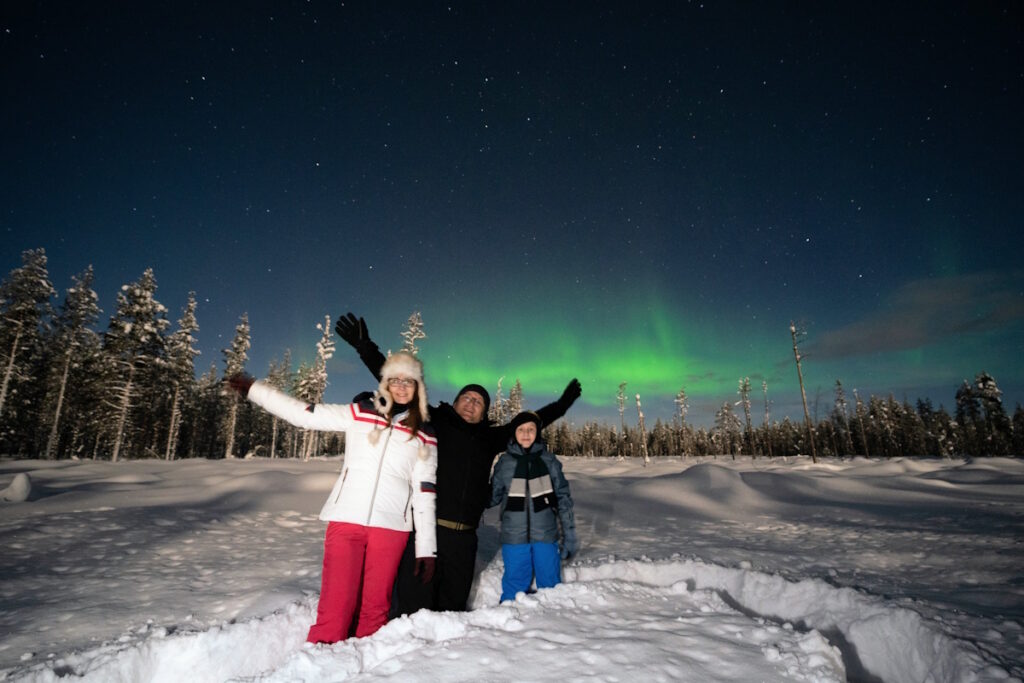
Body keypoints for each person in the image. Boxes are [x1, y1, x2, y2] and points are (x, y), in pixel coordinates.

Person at [335, 312, 581, 615]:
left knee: (451, 610)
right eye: (466, 397)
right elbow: (402, 384)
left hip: (464, 541)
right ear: (454, 403)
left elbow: (531, 422)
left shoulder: (491, 438)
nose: (471, 402)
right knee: (413, 610)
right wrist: (365, 347)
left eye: (479, 401)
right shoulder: (435, 421)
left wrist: (563, 405)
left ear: (484, 413)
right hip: (426, 532)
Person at [225, 351, 437, 643]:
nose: (401, 387)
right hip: (346, 519)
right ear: (385, 383)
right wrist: (254, 389)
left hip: (391, 528)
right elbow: (303, 414)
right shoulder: (359, 413)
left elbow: (425, 492)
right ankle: (320, 658)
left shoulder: (425, 434)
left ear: (417, 388)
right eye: (395, 379)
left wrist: (427, 548)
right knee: (336, 603)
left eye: (409, 381)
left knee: (375, 608)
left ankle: (365, 667)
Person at [489, 410, 578, 603]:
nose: (526, 434)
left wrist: (569, 534)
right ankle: (510, 620)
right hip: (513, 536)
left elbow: (563, 497)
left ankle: (553, 621)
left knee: (551, 585)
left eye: (531, 429)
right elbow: (493, 497)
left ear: (538, 432)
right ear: (514, 433)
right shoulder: (505, 463)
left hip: (545, 534)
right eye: (521, 429)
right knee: (514, 584)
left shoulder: (549, 461)